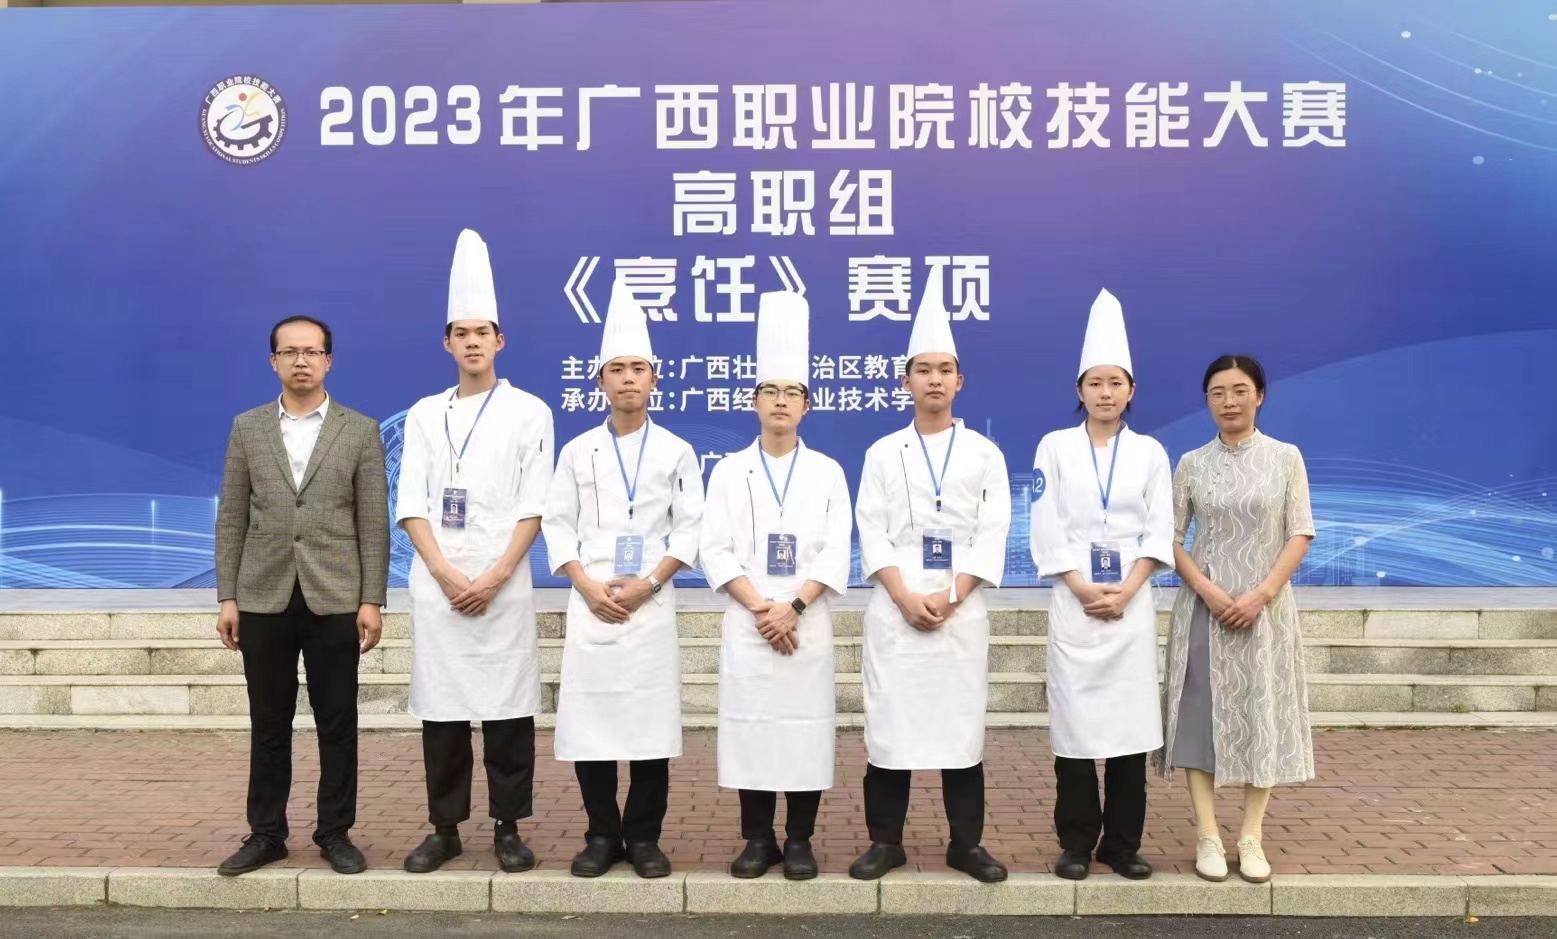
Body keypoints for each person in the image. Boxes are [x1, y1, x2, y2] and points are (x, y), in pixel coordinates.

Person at [394, 230, 555, 875]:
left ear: (499, 341)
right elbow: (412, 502)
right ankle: (445, 828)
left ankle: (508, 828)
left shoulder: (529, 412)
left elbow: (534, 505)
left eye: (482, 332)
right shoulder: (424, 414)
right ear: (447, 344)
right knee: (443, 714)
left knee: (508, 712)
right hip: (438, 586)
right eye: (460, 333)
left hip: (503, 583)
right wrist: (443, 571)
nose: (471, 342)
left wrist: (493, 576)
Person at [849, 276, 1012, 884]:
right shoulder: (881, 451)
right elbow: (871, 529)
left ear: (959, 381)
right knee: (889, 727)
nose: (934, 380)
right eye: (923, 370)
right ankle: (884, 842)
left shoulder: (984, 454)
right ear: (906, 381)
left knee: (960, 729)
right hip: (895, 611)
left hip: (959, 612)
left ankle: (966, 844)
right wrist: (902, 595)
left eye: (945, 370)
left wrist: (952, 594)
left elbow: (992, 530)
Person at [214, 315, 389, 877]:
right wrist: (226, 596)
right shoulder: (247, 428)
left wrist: (371, 599)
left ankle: (335, 832)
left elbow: (372, 522)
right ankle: (267, 834)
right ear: (273, 361)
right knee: (269, 721)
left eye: (312, 352)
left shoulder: (358, 430)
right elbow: (232, 516)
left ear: (328, 361)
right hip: (261, 594)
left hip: (335, 594)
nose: (301, 361)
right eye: (289, 352)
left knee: (337, 722)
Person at [541, 281, 705, 879]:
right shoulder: (577, 451)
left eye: (638, 368)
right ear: (601, 380)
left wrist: (650, 584)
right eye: (617, 369)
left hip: (649, 606)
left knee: (648, 726)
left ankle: (643, 838)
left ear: (654, 378)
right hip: (591, 604)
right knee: (593, 726)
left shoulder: (677, 451)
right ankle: (601, 835)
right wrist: (586, 586)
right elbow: (558, 524)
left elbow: (690, 528)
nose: (628, 378)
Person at [700, 291, 852, 881]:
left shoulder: (828, 471)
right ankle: (758, 840)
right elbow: (715, 547)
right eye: (771, 391)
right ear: (754, 401)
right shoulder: (728, 469)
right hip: (750, 621)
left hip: (805, 621)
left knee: (804, 732)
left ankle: (800, 840)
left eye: (792, 392)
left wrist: (794, 606)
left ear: (807, 405)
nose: (781, 401)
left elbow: (837, 549)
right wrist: (763, 608)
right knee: (753, 731)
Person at [1029, 289, 1173, 881]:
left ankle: (1122, 845)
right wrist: (1081, 586)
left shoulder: (1150, 452)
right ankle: (1075, 843)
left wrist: (1130, 586)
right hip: (1075, 603)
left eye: (1116, 382)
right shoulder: (1055, 447)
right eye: (1095, 383)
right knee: (1075, 733)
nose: (1105, 392)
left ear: (1131, 390)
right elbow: (1045, 523)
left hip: (1131, 606)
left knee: (1129, 734)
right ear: (1080, 389)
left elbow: (1160, 527)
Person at [1156, 353, 1316, 884]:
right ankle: (1207, 834)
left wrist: (1260, 595)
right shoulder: (1191, 463)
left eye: (1239, 390)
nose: (1229, 401)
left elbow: (1299, 531)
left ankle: (1251, 836)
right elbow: (1170, 538)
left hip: (1265, 612)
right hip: (1204, 611)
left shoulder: (1285, 457)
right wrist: (1206, 589)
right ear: (1207, 401)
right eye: (1218, 392)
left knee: (1261, 711)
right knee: (1198, 718)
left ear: (1259, 396)